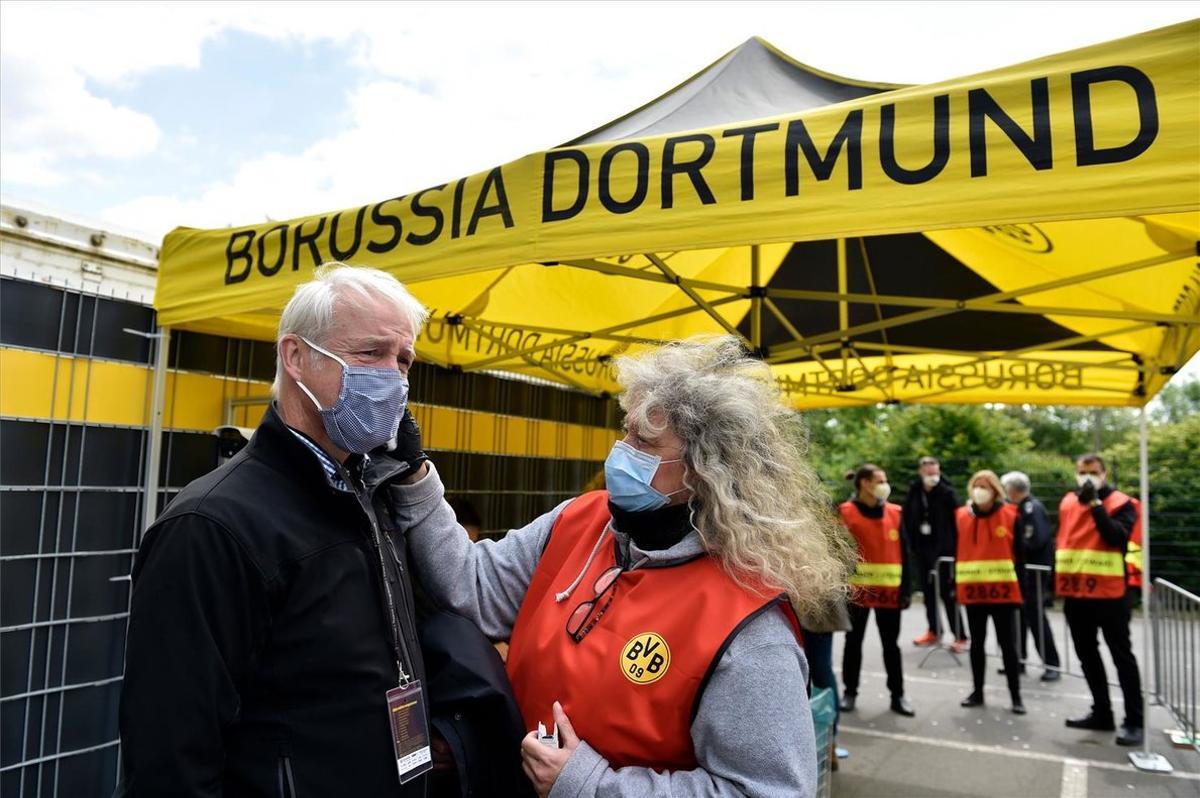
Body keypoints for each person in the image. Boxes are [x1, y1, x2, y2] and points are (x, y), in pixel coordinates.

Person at [389, 336, 853, 797]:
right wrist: (415, 477)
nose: (620, 451)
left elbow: (770, 792)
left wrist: (587, 785)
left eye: (643, 441)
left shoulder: (749, 625)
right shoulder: (581, 520)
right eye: (625, 430)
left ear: (702, 469)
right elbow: (471, 587)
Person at [118, 264, 439, 795]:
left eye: (403, 359)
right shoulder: (212, 525)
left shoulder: (372, 494)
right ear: (296, 356)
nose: (394, 378)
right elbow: (171, 756)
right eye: (370, 353)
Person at [1056, 454, 1144, 746]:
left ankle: (1134, 721)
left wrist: (1095, 504)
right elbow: (1066, 543)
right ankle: (1102, 712)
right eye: (1082, 472)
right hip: (1077, 593)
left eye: (1093, 472)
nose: (1087, 477)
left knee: (1121, 656)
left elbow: (1115, 538)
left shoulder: (1122, 503)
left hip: (1111, 594)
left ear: (1104, 474)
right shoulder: (1068, 502)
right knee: (1087, 656)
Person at [838, 464, 916, 717]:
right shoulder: (845, 512)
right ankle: (850, 692)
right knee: (854, 642)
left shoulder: (896, 513)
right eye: (879, 480)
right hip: (858, 591)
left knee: (891, 645)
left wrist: (906, 589)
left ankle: (898, 695)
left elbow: (906, 552)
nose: (884, 484)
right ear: (864, 484)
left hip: (889, 592)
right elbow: (837, 552)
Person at [955, 470, 1025, 714]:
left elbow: (1021, 554)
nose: (979, 490)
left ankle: (1016, 696)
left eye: (985, 486)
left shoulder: (1011, 514)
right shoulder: (961, 516)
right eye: (976, 485)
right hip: (973, 594)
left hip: (1003, 594)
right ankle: (977, 692)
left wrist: (1023, 591)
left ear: (996, 490)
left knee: (1008, 645)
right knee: (977, 645)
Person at [902, 456, 968, 652]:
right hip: (922, 550)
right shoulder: (915, 491)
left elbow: (957, 520)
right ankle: (934, 631)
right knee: (928, 594)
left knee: (948, 594)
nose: (932, 476)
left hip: (944, 552)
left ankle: (960, 636)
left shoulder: (947, 492)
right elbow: (907, 517)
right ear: (921, 472)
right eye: (928, 472)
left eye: (935, 472)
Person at [1001, 471, 1061, 682]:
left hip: (1034, 572)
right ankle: (1018, 659)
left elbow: (1034, 539)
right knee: (1018, 617)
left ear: (1013, 489)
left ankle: (1051, 663)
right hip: (1024, 572)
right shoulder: (1020, 508)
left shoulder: (1031, 508)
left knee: (1035, 618)